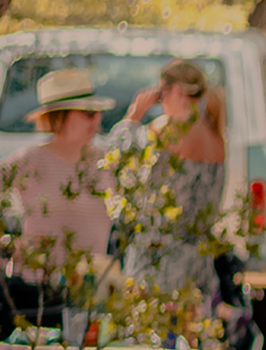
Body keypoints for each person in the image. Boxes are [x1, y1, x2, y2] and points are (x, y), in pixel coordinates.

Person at [2, 69, 116, 330]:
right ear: (60, 116)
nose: (96, 119)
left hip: (93, 296)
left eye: (97, 111)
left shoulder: (107, 162)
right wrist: (10, 247)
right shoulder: (29, 160)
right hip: (37, 295)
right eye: (87, 112)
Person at [119, 60, 231, 325]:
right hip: (198, 256)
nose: (159, 102)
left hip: (160, 255)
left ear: (179, 92)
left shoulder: (167, 130)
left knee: (151, 337)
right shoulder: (215, 135)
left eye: (162, 94)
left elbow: (118, 157)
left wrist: (134, 115)